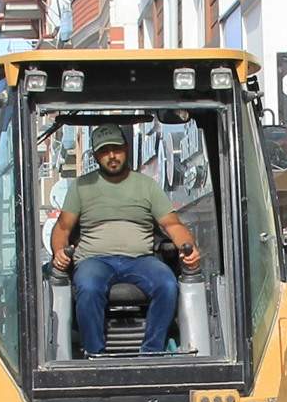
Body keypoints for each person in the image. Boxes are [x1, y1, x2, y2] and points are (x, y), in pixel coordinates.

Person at [49, 124, 201, 355]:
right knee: (88, 287)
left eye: (117, 149)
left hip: (140, 259)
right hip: (94, 259)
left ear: (126, 148)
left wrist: (188, 249)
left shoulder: (146, 186)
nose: (112, 156)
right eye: (104, 151)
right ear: (96, 155)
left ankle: (151, 352)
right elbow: (62, 228)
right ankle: (95, 355)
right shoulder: (81, 186)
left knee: (167, 284)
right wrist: (59, 251)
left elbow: (172, 225)